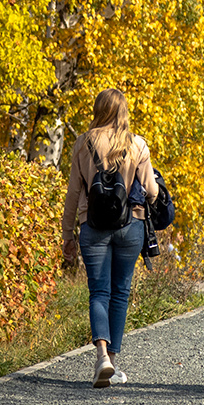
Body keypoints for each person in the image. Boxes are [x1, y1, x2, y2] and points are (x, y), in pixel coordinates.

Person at [60, 89, 159, 388]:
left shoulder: (83, 143)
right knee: (120, 293)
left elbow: (74, 193)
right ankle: (113, 364)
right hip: (131, 226)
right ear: (123, 111)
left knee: (98, 292)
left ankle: (101, 355)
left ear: (99, 109)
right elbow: (152, 192)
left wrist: (67, 235)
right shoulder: (137, 144)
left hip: (93, 225)